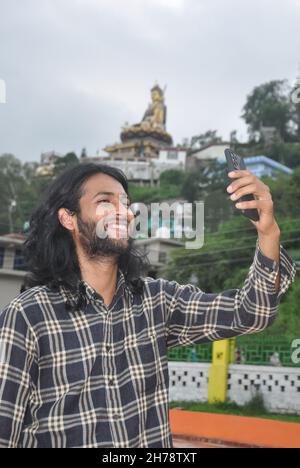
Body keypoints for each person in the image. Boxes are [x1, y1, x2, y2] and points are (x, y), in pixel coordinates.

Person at [0, 163, 296, 448]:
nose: (124, 212)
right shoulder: (28, 316)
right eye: (105, 202)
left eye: (126, 203)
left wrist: (269, 233)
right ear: (69, 219)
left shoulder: (157, 302)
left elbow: (252, 312)